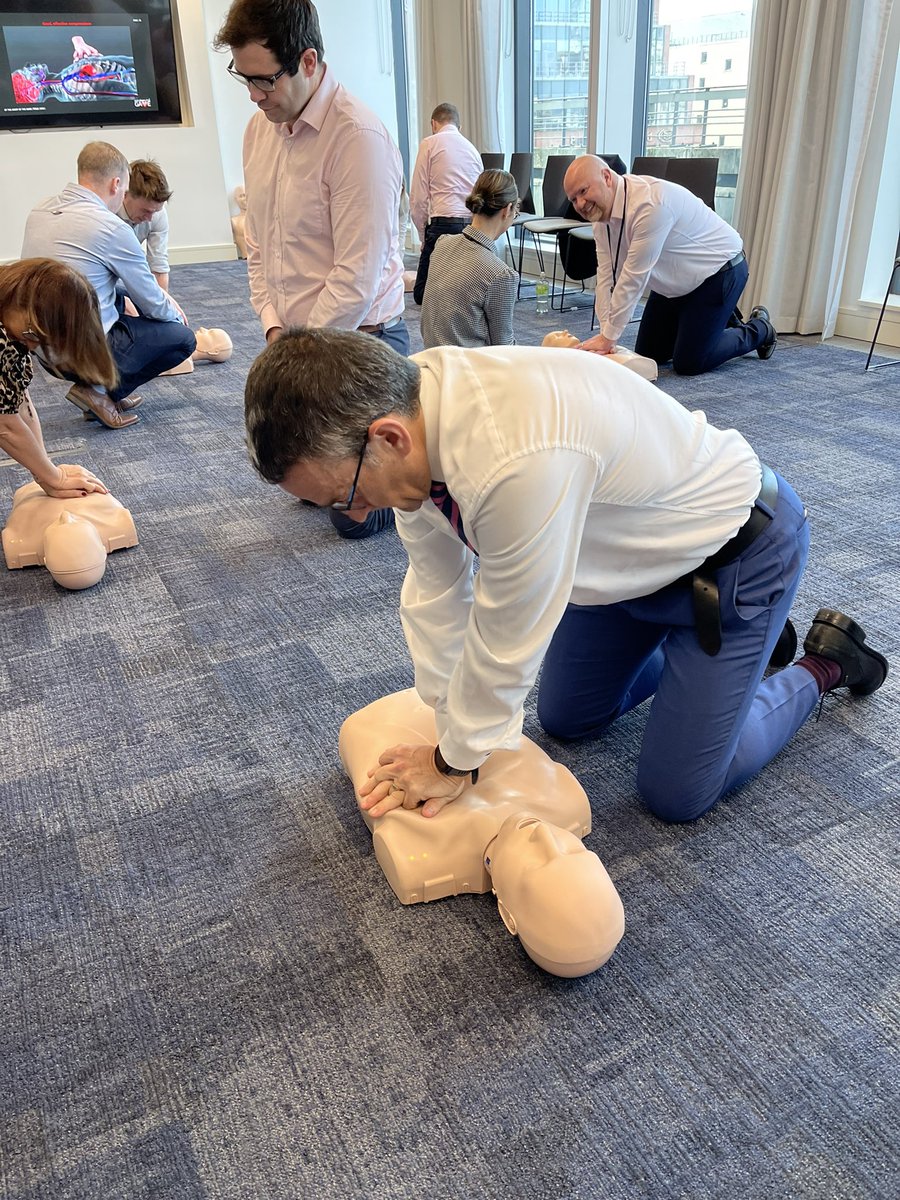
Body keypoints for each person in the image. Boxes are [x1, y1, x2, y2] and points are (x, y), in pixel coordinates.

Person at [244, 330, 889, 826]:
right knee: (567, 717)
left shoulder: (510, 457)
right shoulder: (408, 410)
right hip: (615, 569)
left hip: (736, 556)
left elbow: (506, 637)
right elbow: (437, 590)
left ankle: (821, 664)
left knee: (677, 795)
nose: (353, 516)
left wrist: (453, 763)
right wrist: (450, 727)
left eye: (343, 496)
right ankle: (729, 659)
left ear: (387, 438)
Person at [214, 0, 406, 541]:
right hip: (294, 339)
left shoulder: (357, 138)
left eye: (264, 80)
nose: (253, 95)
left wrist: (295, 357)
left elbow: (355, 275)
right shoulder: (260, 131)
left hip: (360, 341)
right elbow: (259, 246)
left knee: (354, 521)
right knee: (302, 481)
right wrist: (274, 327)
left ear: (308, 61)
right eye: (243, 79)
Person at [340, 688, 624, 977]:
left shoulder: (418, 851)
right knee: (564, 713)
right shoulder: (566, 800)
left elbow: (370, 758)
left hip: (377, 721)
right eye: (575, 849)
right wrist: (447, 761)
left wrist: (443, 763)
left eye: (539, 862)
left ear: (507, 915)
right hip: (464, 699)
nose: (545, 835)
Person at [21, 141, 196, 429]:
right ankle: (99, 391)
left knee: (119, 293)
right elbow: (152, 301)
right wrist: (175, 317)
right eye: (126, 190)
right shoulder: (111, 226)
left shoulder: (38, 211)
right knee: (182, 338)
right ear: (117, 184)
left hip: (42, 349)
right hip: (81, 352)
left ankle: (100, 390)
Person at [563, 154, 777, 375]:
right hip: (674, 284)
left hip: (719, 272)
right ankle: (716, 321)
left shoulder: (650, 204)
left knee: (690, 362)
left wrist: (609, 338)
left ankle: (760, 329)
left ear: (606, 177)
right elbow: (606, 276)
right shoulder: (602, 220)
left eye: (583, 191)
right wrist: (605, 333)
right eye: (572, 199)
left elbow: (632, 278)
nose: (580, 204)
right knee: (649, 355)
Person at [0, 258, 113, 499]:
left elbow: (15, 398)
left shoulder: (12, 334)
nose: (32, 345)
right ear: (20, 302)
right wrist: (54, 477)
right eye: (34, 334)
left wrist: (43, 471)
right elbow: (4, 425)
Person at [420, 169, 520, 350]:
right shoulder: (501, 274)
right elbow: (505, 350)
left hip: (431, 361)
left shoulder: (442, 244)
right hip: (470, 371)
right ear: (507, 210)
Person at [410, 102, 484, 305]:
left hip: (442, 226)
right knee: (462, 286)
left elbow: (418, 197)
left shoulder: (430, 143)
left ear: (433, 123)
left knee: (421, 294)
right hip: (471, 227)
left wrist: (422, 236)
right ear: (459, 128)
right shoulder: (472, 149)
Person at [3, 479, 138, 590]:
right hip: (72, 482)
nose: (66, 517)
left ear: (46, 561)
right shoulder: (116, 520)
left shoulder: (20, 533)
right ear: (103, 550)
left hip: (32, 489)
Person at [117, 159, 172, 291]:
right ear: (125, 195)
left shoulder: (158, 214)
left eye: (155, 211)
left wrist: (162, 309)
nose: (149, 218)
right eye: (145, 211)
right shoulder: (105, 213)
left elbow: (158, 266)